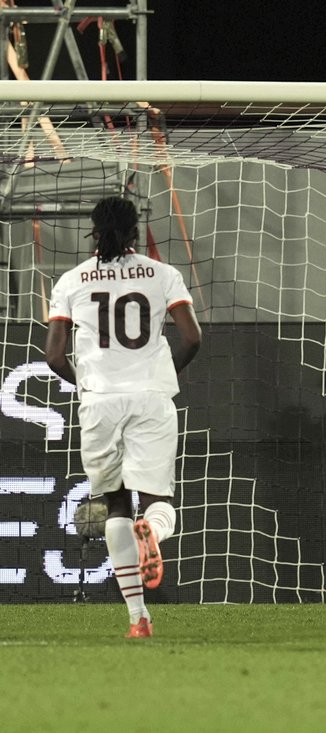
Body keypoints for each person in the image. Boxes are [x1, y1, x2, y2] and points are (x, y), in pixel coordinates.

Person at [44, 196, 202, 639]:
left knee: (114, 504)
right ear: (136, 232)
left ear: (94, 232)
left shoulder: (72, 280)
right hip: (150, 397)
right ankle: (152, 532)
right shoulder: (163, 274)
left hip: (100, 402)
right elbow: (192, 337)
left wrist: (88, 385)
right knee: (157, 499)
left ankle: (138, 619)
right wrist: (162, 374)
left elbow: (54, 356)